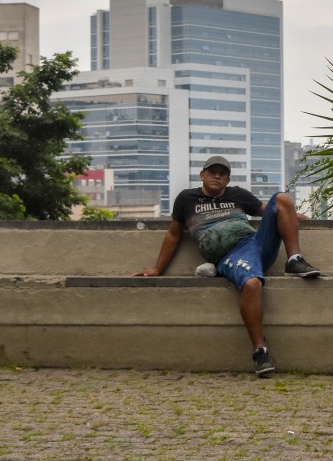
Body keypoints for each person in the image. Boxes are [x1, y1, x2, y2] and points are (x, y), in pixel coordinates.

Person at [134, 155, 320, 376]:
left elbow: (270, 210)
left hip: (257, 245)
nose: (217, 176)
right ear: (202, 175)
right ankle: (261, 351)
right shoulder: (186, 199)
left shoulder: (237, 195)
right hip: (230, 256)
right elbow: (174, 235)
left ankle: (294, 260)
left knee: (282, 198)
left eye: (222, 173)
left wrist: (300, 216)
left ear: (227, 179)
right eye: (212, 171)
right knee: (251, 284)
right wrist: (157, 269)